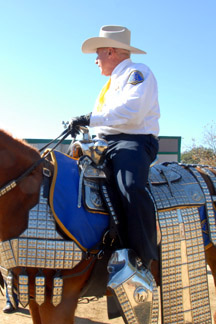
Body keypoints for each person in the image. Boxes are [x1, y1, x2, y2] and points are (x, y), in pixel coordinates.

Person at [69, 25, 160, 268]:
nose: (96, 60)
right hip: (107, 142)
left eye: (98, 54)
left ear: (111, 51)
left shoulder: (138, 73)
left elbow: (132, 113)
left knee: (129, 185)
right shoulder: (109, 85)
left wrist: (88, 118)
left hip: (132, 141)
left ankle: (144, 257)